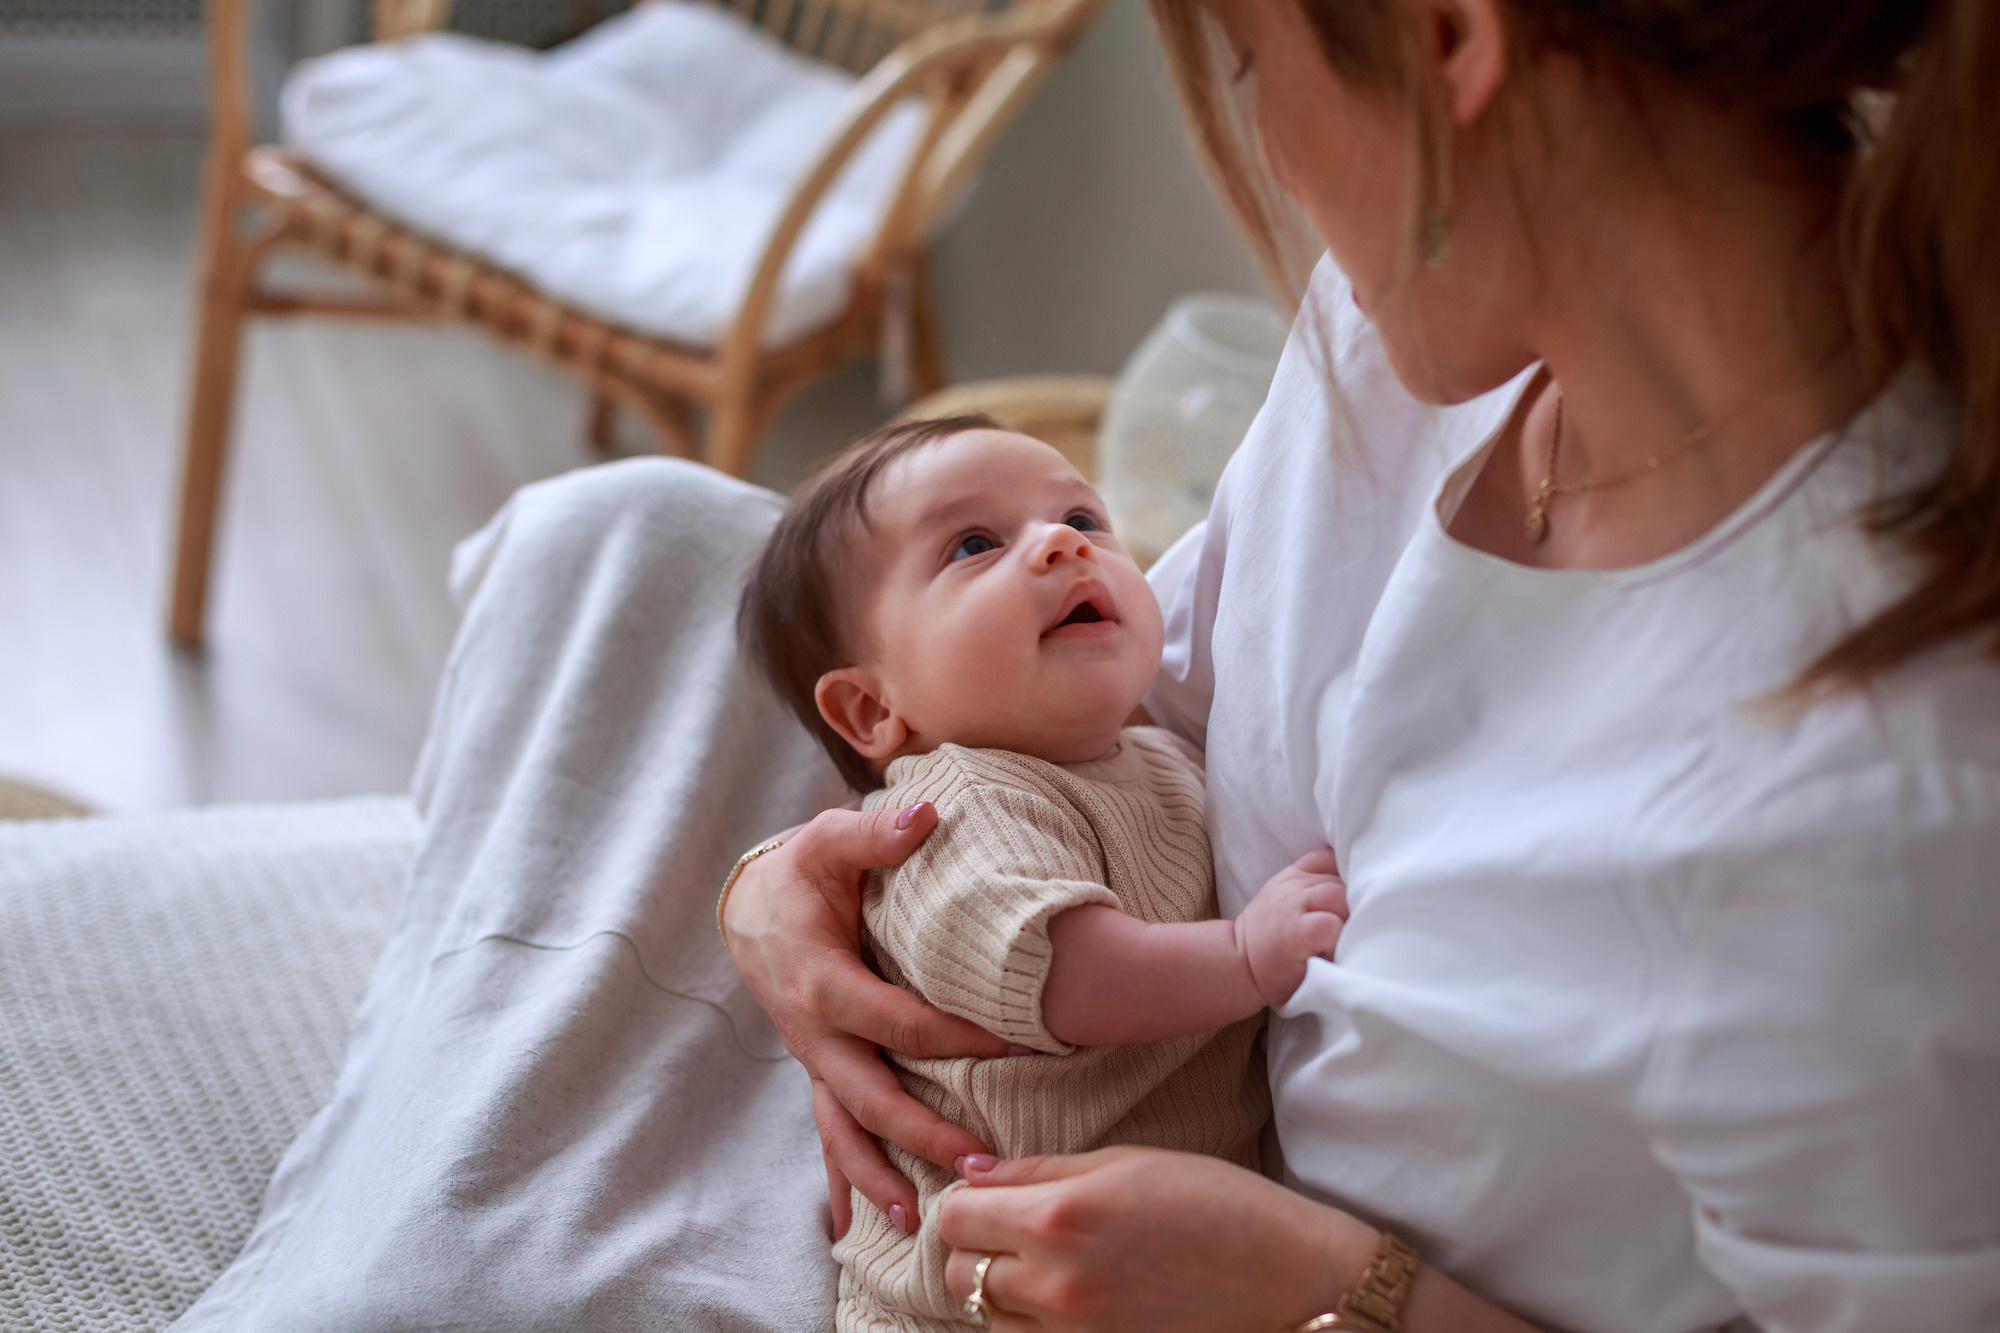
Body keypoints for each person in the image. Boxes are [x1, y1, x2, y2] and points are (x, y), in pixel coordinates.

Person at [719, 0, 2000, 1330]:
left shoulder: (1884, 819)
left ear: (1446, 39)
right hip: (1042, 1140)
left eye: (1250, 66)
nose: (1266, 148)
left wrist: (1329, 1293)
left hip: (1187, 1261)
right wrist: (797, 899)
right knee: (632, 531)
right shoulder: (1413, 342)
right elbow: (1098, 704)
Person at [737, 413, 1350, 1330]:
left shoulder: (1159, 762)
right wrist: (1246, 956)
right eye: (975, 544)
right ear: (870, 707)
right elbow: (1069, 973)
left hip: (1150, 1259)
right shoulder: (953, 809)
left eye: (1084, 517)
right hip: (968, 1293)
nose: (1063, 542)